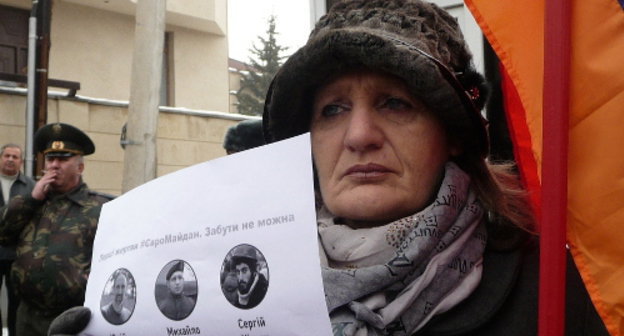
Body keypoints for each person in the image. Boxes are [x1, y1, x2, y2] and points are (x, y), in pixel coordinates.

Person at [49, 0, 609, 335]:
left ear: (452, 138)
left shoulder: (560, 299)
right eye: (332, 110)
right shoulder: (230, 288)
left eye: (395, 103)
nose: (359, 136)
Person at [0, 123, 112, 336]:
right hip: (27, 315)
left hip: (70, 318)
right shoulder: (31, 203)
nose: (54, 165)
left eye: (63, 159)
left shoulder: (98, 207)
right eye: (50, 159)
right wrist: (31, 198)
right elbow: (3, 233)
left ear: (80, 167)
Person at [0, 144, 35, 336]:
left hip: (17, 255)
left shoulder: (30, 186)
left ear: (21, 162)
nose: (10, 159)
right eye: (7, 155)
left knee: (16, 302)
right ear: (0, 158)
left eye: (15, 157)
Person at [229, 245, 268, 309]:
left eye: (244, 271)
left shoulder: (263, 293)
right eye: (238, 272)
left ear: (255, 271)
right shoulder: (237, 295)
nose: (240, 278)